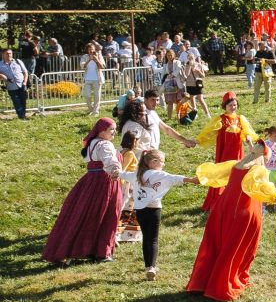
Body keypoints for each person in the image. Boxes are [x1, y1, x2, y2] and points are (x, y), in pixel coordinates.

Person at [187, 140, 276, 301]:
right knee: (235, 248)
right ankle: (220, 285)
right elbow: (263, 186)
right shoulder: (257, 169)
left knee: (216, 245)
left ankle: (202, 282)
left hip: (222, 209)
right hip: (243, 212)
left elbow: (214, 173)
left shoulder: (236, 164)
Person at [43, 118, 125, 264]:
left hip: (90, 181)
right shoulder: (105, 145)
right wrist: (118, 172)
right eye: (111, 129)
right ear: (101, 130)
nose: (114, 132)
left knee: (85, 215)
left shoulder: (92, 143)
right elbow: (110, 162)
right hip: (105, 183)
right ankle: (101, 252)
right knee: (108, 214)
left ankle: (88, 249)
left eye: (114, 129)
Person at [121, 149, 199, 280]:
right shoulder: (160, 175)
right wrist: (192, 180)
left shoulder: (137, 174)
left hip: (140, 211)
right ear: (154, 162)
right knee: (153, 239)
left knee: (146, 238)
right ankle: (152, 267)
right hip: (154, 210)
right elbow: (175, 178)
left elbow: (123, 174)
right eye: (162, 162)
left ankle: (148, 266)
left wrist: (115, 172)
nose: (163, 164)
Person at [195, 93, 257, 212]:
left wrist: (249, 142)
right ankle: (217, 200)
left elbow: (246, 133)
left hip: (237, 151)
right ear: (225, 106)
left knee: (236, 173)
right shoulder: (220, 119)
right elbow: (209, 132)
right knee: (222, 172)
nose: (233, 107)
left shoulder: (240, 119)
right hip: (224, 151)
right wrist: (197, 141)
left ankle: (233, 200)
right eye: (230, 105)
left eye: (235, 105)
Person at [0, 48, 31, 119]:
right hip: (11, 86)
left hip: (22, 85)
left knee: (23, 101)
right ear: (3, 55)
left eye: (10, 53)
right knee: (16, 102)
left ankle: (22, 115)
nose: (9, 55)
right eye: (7, 54)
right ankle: (22, 117)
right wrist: (1, 75)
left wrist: (25, 83)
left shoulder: (18, 61)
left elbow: (25, 72)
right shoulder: (0, 64)